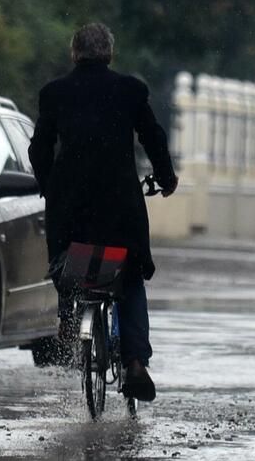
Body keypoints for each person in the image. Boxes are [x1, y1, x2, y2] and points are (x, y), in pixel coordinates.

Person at [28, 23, 177, 402]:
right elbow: (153, 137)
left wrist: (50, 187)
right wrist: (166, 178)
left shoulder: (55, 93)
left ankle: (68, 321)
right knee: (129, 280)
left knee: (66, 264)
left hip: (71, 211)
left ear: (74, 53)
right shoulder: (130, 91)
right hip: (119, 209)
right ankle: (136, 364)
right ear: (110, 54)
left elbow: (39, 149)